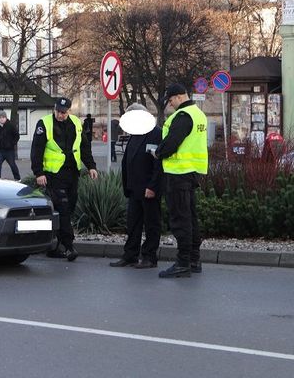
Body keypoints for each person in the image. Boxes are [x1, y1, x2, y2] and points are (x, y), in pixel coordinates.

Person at [31, 97, 99, 261]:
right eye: (58, 112)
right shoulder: (45, 123)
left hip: (72, 173)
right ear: (54, 109)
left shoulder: (76, 122)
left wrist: (91, 166)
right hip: (53, 174)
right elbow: (37, 149)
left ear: (69, 111)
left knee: (68, 209)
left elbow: (83, 147)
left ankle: (56, 245)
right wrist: (39, 172)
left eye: (63, 112)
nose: (60, 115)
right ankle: (69, 246)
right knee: (63, 208)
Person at [154, 83, 208, 278]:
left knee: (180, 219)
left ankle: (183, 263)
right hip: (193, 172)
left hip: (178, 174)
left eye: (170, 100)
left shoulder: (183, 116)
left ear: (178, 97)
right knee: (191, 217)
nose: (170, 104)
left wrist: (158, 152)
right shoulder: (199, 114)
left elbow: (171, 143)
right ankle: (194, 259)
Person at [110, 103, 162, 269]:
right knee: (133, 224)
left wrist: (153, 187)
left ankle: (149, 257)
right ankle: (130, 255)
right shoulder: (135, 133)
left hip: (148, 189)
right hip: (133, 188)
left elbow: (158, 164)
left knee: (151, 224)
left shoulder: (156, 133)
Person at [0, 111, 21, 181]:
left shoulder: (10, 125)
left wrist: (12, 143)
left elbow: (17, 136)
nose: (2, 119)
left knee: (12, 165)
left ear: (6, 118)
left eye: (3, 117)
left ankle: (18, 178)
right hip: (0, 150)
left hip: (9, 150)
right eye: (0, 118)